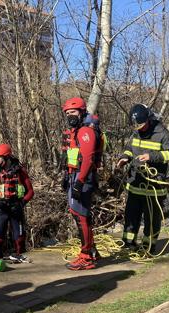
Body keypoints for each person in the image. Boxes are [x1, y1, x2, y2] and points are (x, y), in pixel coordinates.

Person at [116, 104, 169, 254]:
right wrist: (124, 157)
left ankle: (148, 246)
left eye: (142, 126)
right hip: (135, 183)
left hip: (153, 186)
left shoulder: (161, 133)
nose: (139, 129)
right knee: (131, 215)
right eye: (136, 126)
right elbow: (129, 148)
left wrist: (152, 157)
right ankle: (129, 243)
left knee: (152, 218)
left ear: (149, 120)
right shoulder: (136, 132)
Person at [61, 97, 104, 270]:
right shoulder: (77, 129)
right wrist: (67, 176)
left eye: (73, 112)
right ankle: (92, 251)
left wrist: (78, 183)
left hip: (83, 178)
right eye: (68, 113)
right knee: (81, 215)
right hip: (75, 176)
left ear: (81, 112)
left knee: (81, 216)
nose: (70, 116)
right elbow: (74, 157)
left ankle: (86, 256)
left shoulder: (85, 131)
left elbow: (87, 159)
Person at [0, 144, 34, 263]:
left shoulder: (20, 172)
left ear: (7, 157)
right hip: (0, 209)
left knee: (19, 237)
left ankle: (19, 256)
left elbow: (30, 191)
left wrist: (22, 203)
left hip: (16, 208)